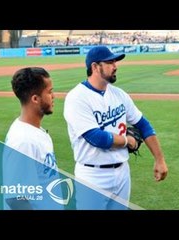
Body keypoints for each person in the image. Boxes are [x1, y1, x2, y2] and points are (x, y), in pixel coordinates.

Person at [63, 46, 168, 209]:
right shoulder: (77, 98)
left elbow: (144, 125)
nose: (115, 66)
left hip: (122, 173)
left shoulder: (119, 94)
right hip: (92, 176)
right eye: (110, 62)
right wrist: (128, 141)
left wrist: (159, 159)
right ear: (95, 67)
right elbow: (96, 138)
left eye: (115, 61)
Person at [3, 67, 64, 210]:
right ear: (35, 99)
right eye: (49, 92)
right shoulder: (23, 141)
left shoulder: (34, 131)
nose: (53, 96)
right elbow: (16, 199)